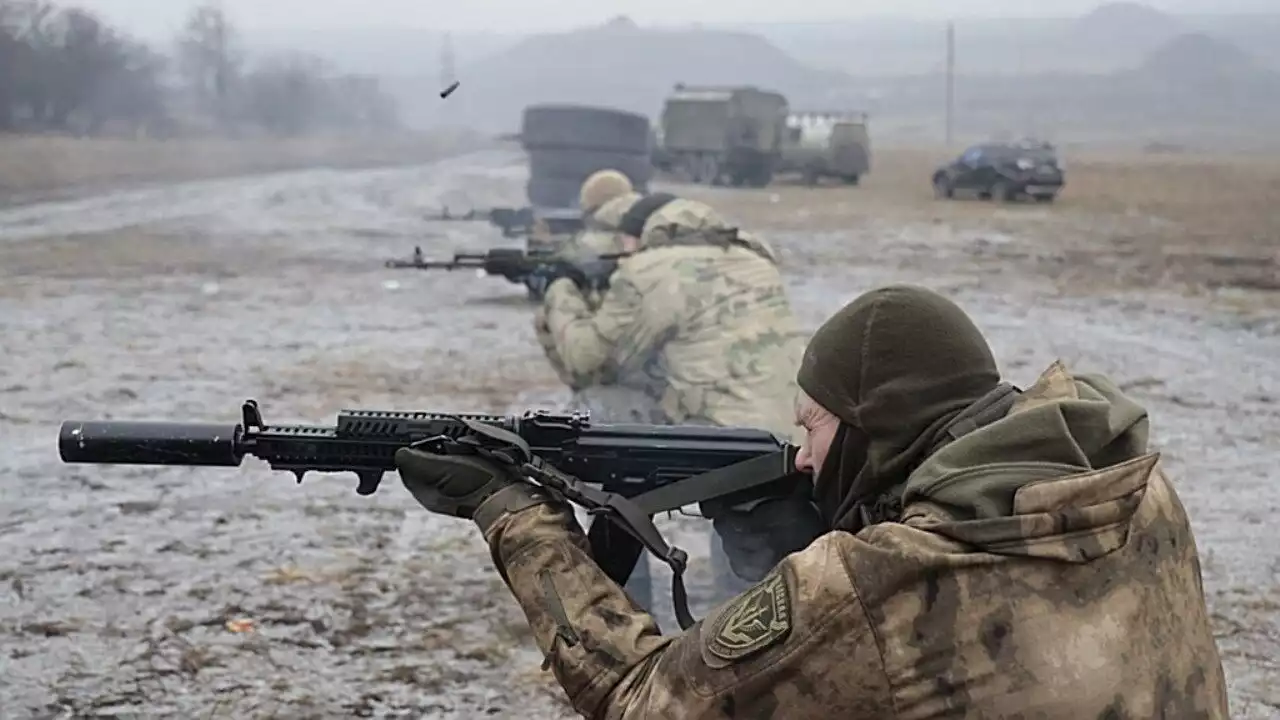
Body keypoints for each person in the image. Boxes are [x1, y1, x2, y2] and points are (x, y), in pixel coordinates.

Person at [395, 284, 1230, 718]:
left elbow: (642, 703)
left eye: (815, 428)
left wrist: (514, 516)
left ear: (876, 428)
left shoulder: (879, 581)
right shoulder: (1128, 487)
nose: (801, 455)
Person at [533, 180, 817, 628]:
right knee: (761, 573)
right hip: (795, 429)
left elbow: (587, 361)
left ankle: (622, 601)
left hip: (729, 445)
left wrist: (560, 290)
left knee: (601, 417)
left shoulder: (650, 271)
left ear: (640, 234)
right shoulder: (752, 256)